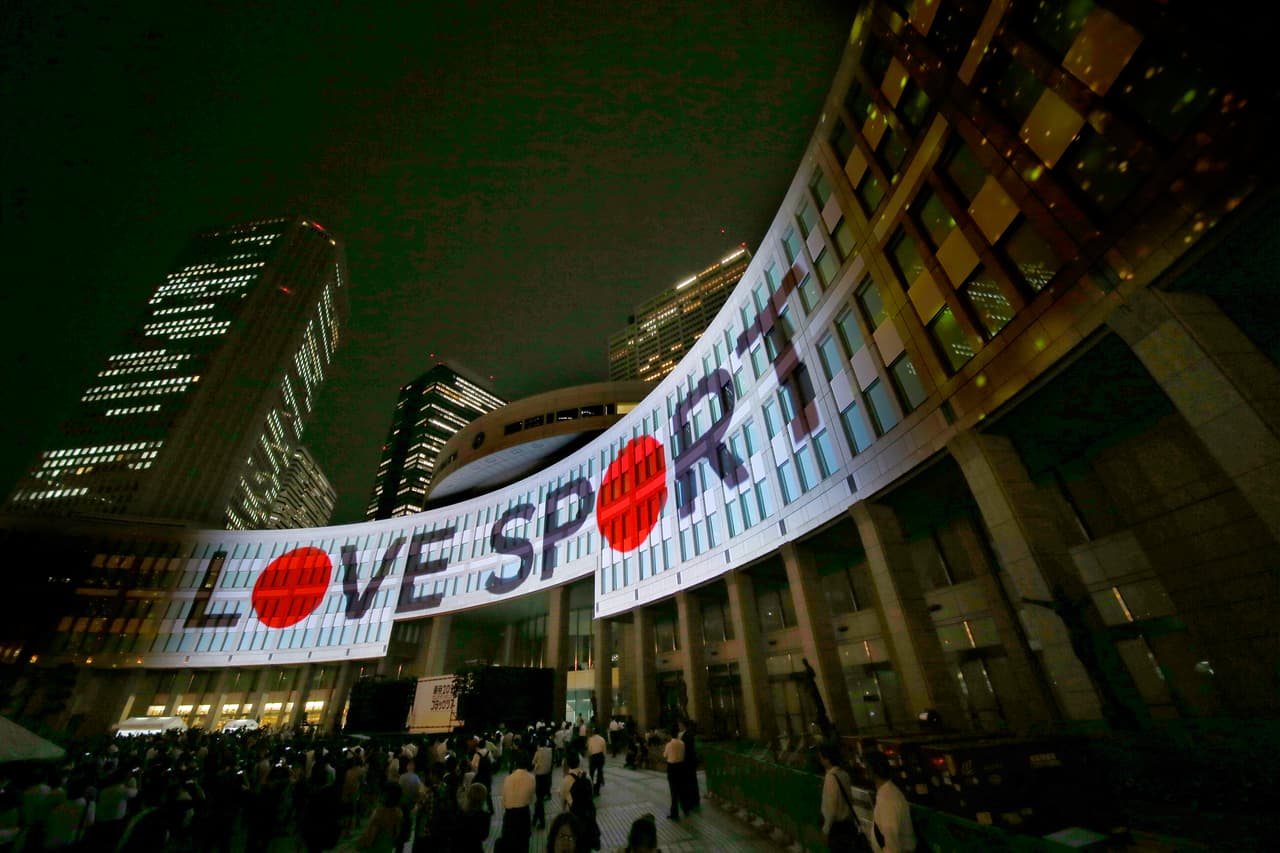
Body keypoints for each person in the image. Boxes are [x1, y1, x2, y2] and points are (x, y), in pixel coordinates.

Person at [864, 751, 916, 853]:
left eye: (867, 767)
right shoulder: (888, 793)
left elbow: (891, 840)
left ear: (872, 770)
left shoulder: (887, 799)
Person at [818, 743, 859, 852]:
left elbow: (831, 808)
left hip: (836, 828)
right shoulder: (844, 774)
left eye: (821, 757)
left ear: (827, 759)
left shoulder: (830, 778)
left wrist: (825, 829)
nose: (820, 761)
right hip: (848, 825)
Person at [499, 750, 535, 851]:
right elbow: (531, 799)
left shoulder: (508, 778)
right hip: (523, 814)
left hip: (509, 815)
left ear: (516, 763)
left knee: (509, 846)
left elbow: (503, 800)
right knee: (523, 844)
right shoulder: (531, 778)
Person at [356, 782, 404, 852]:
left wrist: (363, 844)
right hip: (387, 846)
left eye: (382, 793)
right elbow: (397, 831)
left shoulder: (380, 812)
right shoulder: (399, 812)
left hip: (375, 847)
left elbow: (372, 832)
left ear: (386, 795)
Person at [455, 782, 492, 853]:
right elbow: (484, 836)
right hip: (475, 848)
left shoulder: (459, 813)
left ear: (468, 796)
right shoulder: (484, 816)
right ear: (483, 798)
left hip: (459, 848)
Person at [662, 727, 685, 821]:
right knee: (681, 788)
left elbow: (665, 755)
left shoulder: (669, 744)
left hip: (672, 768)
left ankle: (674, 812)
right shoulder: (682, 743)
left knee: (673, 791)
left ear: (670, 735)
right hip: (681, 767)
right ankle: (685, 808)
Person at [531, 736, 554, 829]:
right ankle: (535, 819)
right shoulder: (550, 751)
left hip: (539, 776)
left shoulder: (538, 752)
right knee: (540, 800)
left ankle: (540, 821)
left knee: (539, 799)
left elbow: (533, 762)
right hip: (547, 776)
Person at [677, 719, 699, 812]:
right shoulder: (684, 734)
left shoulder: (688, 735)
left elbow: (688, 749)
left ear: (683, 725)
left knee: (691, 781)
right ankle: (693, 800)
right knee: (690, 781)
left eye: (680, 725)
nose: (679, 727)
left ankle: (693, 800)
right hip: (687, 762)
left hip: (688, 762)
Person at [586, 727, 607, 795]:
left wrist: (589, 759)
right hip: (600, 756)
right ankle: (597, 790)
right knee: (599, 773)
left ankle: (591, 788)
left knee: (591, 773)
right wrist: (604, 759)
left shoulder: (590, 739)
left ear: (593, 732)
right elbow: (604, 751)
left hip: (593, 757)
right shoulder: (602, 739)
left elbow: (589, 751)